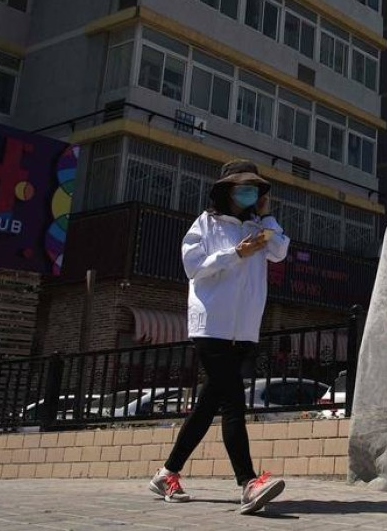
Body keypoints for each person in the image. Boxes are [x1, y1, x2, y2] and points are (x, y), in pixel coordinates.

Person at [148, 160, 289, 514]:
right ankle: (249, 482)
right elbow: (193, 266)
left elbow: (281, 250)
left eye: (256, 188)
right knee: (232, 403)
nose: (250, 192)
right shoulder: (206, 223)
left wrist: (267, 216)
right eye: (243, 186)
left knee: (209, 404)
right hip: (211, 326)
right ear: (227, 189)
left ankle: (167, 473)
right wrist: (235, 254)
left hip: (244, 329)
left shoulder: (261, 227)